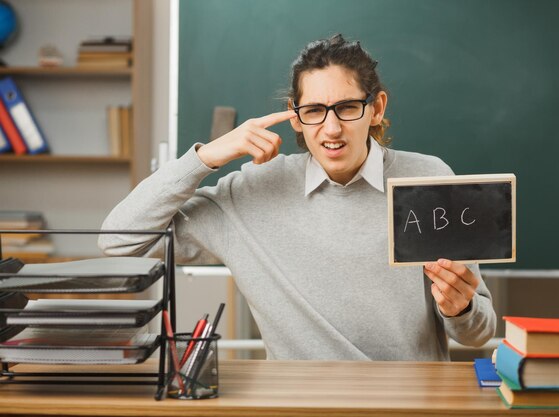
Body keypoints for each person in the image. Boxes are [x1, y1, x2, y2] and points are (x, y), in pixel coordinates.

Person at [99, 34, 496, 361]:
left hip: (408, 401)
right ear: (295, 117)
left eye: (346, 108)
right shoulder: (251, 191)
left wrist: (458, 307)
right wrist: (204, 157)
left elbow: (479, 333)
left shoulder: (428, 179)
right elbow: (119, 239)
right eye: (314, 111)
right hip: (298, 401)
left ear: (376, 108)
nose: (331, 128)